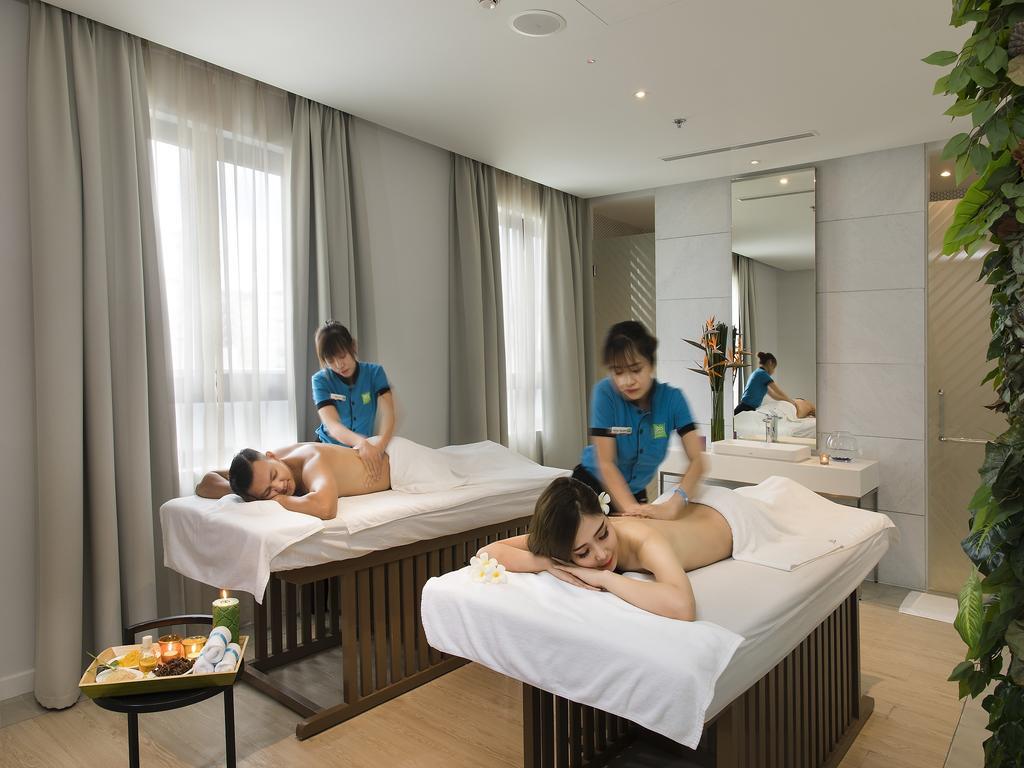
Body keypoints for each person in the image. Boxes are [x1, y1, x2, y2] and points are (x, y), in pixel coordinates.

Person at [483, 477, 734, 621]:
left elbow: (683, 607)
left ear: (605, 515)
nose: (601, 554)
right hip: (688, 513)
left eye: (603, 534)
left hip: (729, 517)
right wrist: (548, 563)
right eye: (583, 553)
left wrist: (604, 577)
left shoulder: (644, 540)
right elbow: (490, 551)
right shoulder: (576, 532)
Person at [574, 321, 704, 520]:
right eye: (618, 372)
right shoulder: (605, 394)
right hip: (590, 488)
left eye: (636, 370)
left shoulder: (672, 400)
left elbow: (698, 461)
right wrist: (633, 511)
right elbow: (606, 463)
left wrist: (675, 504)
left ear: (651, 364)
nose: (627, 381)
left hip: (634, 494)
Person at [195, 442, 391, 520]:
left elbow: (326, 509)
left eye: (274, 475)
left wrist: (277, 499)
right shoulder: (258, 474)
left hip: (396, 463)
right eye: (268, 491)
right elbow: (205, 484)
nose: (280, 486)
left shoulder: (312, 460)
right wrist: (245, 493)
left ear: (272, 456)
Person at [311, 321, 397, 485]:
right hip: (327, 447)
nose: (339, 365)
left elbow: (389, 414)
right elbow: (332, 425)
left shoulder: (374, 373)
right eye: (331, 360)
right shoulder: (320, 380)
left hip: (361, 451)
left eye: (342, 355)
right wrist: (360, 442)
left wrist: (379, 447)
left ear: (353, 347)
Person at [734, 351, 815, 418]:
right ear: (770, 363)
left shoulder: (758, 374)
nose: (773, 371)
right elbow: (778, 391)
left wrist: (789, 401)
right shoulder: (762, 374)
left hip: (747, 407)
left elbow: (774, 395)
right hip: (745, 408)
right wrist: (792, 402)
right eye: (774, 368)